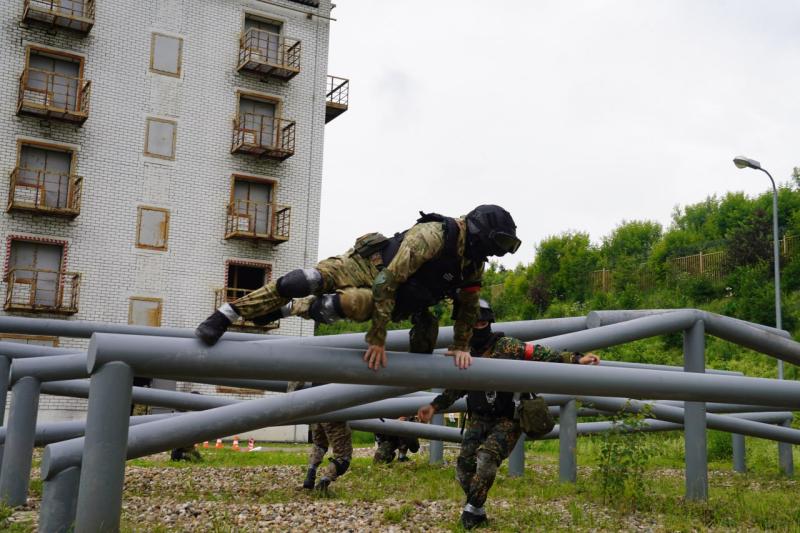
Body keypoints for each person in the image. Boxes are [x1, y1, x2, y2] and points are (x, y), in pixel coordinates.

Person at [195, 205, 521, 369]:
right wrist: (376, 339)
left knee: (348, 304)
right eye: (492, 246)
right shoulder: (433, 236)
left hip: (403, 300)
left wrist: (462, 345)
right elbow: (387, 281)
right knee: (300, 281)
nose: (491, 255)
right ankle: (228, 314)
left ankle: (293, 309)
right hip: (368, 267)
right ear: (479, 233)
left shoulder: (472, 263)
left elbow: (467, 305)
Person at [417, 300, 600, 530]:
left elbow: (539, 353)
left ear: (489, 322)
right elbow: (457, 388)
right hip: (478, 418)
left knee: (486, 459)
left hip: (508, 418)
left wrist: (576, 359)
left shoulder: (507, 346)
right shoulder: (464, 353)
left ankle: (471, 512)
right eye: (473, 322)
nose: (478, 326)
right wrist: (434, 406)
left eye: (482, 322)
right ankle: (478, 508)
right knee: (463, 468)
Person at [303, 421, 353, 494]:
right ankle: (322, 485)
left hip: (316, 415)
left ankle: (310, 476)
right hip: (333, 416)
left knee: (319, 445)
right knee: (343, 458)